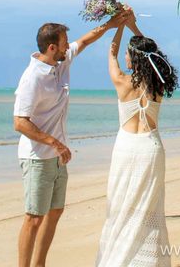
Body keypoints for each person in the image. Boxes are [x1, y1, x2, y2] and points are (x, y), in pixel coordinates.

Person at [13, 15, 121, 267]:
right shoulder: (32, 78)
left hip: (57, 156)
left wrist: (112, 23)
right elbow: (19, 122)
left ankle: (39, 264)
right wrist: (55, 142)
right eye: (64, 43)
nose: (68, 47)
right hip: (37, 157)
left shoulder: (61, 62)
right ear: (52, 48)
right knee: (34, 217)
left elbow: (85, 40)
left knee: (55, 211)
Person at [95, 5, 179, 267]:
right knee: (149, 207)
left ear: (133, 58)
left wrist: (120, 25)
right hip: (151, 148)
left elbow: (111, 52)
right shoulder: (158, 84)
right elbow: (155, 55)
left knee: (120, 204)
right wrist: (133, 25)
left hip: (126, 148)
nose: (125, 57)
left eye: (129, 54)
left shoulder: (122, 81)